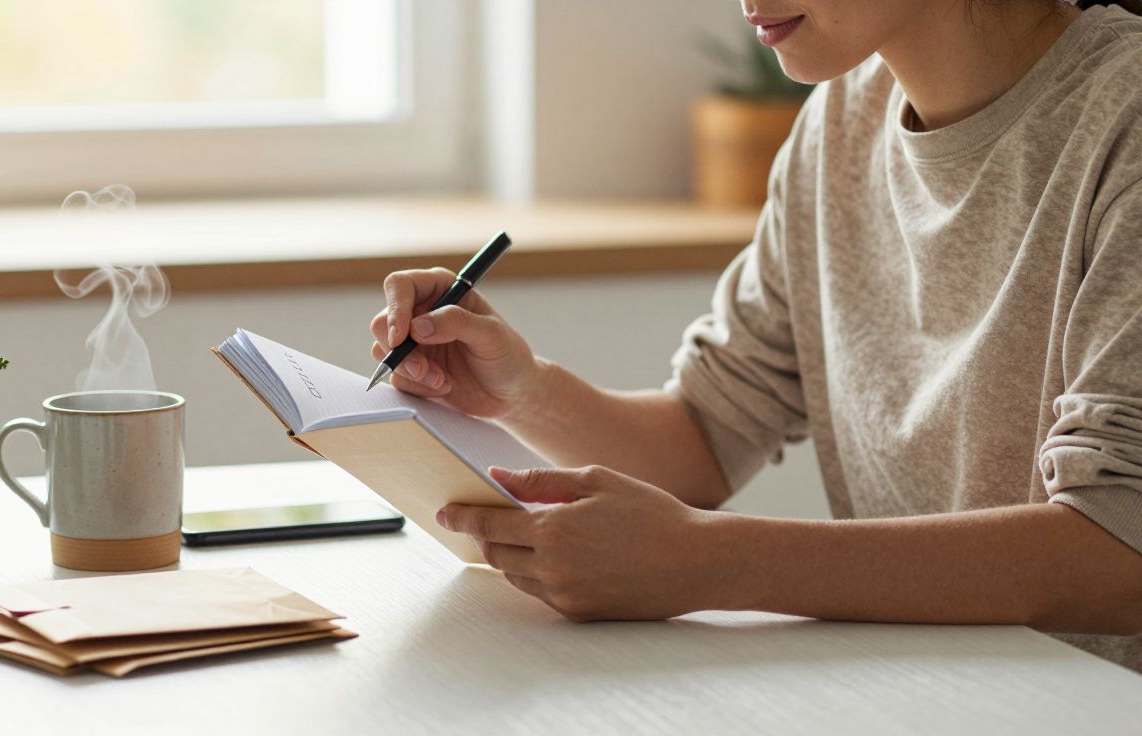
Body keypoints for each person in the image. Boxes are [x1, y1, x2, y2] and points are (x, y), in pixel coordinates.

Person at [369, 0, 1142, 672]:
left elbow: (1120, 549)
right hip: (922, 693)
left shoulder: (1125, 121)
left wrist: (707, 559)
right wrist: (524, 390)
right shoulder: (839, 124)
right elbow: (703, 437)